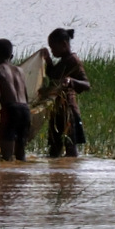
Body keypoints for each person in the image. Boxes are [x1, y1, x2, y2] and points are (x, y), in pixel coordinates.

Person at [42, 27, 91, 158]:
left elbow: (87, 85)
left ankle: (69, 169)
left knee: (71, 148)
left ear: (64, 44)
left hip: (69, 111)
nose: (52, 51)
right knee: (54, 148)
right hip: (57, 111)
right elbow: (53, 75)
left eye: (53, 48)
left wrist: (71, 81)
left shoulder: (73, 61)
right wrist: (48, 61)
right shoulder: (63, 62)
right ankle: (59, 169)